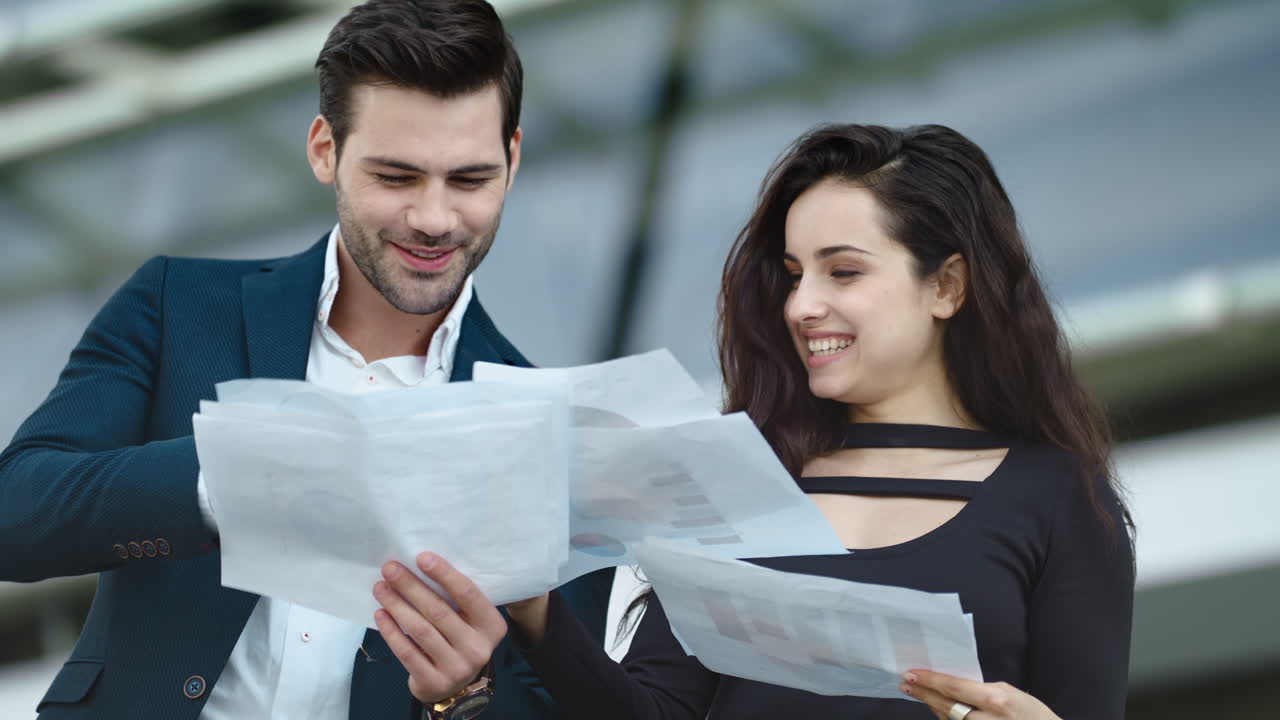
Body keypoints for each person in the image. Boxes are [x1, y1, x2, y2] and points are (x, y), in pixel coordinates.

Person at [382, 123, 1136, 719]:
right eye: (794, 272)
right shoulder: (735, 479)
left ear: (946, 285)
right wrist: (541, 615)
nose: (802, 305)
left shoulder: (1059, 497)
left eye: (843, 271)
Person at [0, 1, 613, 719]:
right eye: (397, 177)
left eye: (470, 180)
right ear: (325, 149)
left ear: (512, 159)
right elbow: (17, 511)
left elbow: (564, 703)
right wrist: (229, 479)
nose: (435, 219)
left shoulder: (545, 426)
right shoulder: (180, 305)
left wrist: (461, 696)